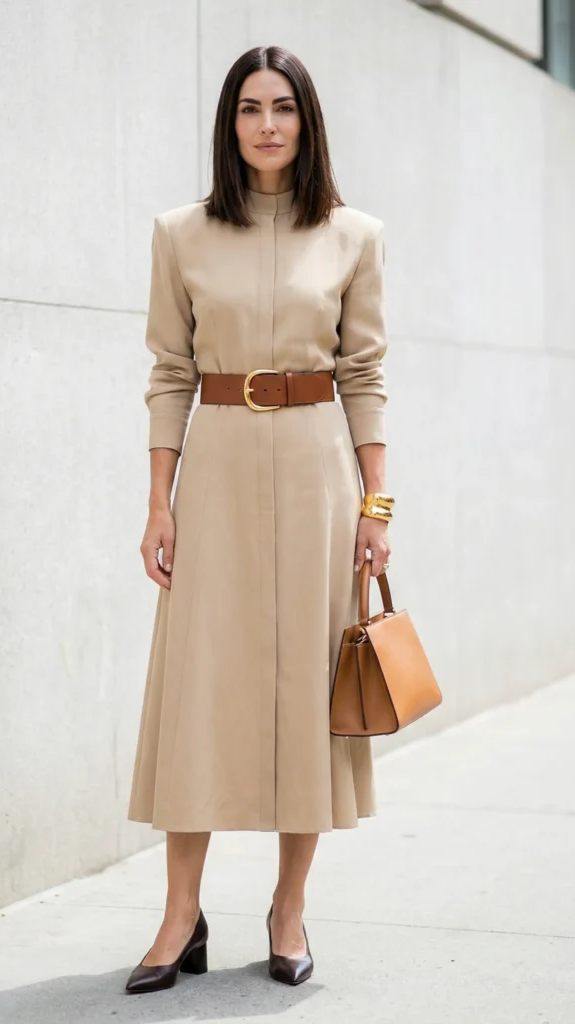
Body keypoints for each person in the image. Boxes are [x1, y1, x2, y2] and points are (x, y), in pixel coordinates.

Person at [124, 44, 392, 994]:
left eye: (282, 107)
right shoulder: (179, 234)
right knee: (199, 689)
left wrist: (377, 507)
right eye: (249, 108)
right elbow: (169, 373)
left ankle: (288, 909)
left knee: (310, 696)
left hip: (321, 476)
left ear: (306, 121)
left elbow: (364, 378)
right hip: (221, 470)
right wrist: (158, 502)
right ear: (229, 123)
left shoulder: (354, 235)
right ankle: (179, 916)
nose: (266, 124)